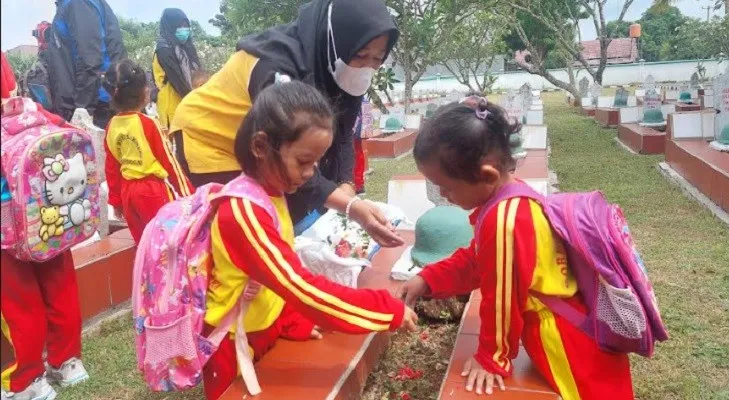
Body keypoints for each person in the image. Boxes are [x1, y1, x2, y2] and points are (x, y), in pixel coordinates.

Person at [397, 97, 634, 400]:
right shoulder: (511, 198)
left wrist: (492, 358)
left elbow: (503, 299)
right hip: (575, 323)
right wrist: (429, 278)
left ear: (487, 175)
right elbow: (476, 261)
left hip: (565, 337)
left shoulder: (504, 221)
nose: (443, 194)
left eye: (447, 186)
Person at [202, 81, 417, 400]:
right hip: (232, 344)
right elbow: (299, 286)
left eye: (316, 162)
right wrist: (384, 309)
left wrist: (290, 321)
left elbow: (275, 276)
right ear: (261, 146)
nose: (309, 173)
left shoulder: (269, 194)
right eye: (303, 161)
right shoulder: (243, 213)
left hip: (262, 324)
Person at [170, 0, 403, 245]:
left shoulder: (336, 62)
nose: (367, 66)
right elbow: (285, 151)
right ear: (335, 40)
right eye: (360, 55)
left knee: (286, 211)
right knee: (245, 227)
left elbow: (343, 132)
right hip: (210, 137)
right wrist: (350, 206)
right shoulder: (276, 67)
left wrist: (346, 185)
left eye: (378, 59)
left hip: (266, 141)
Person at [1, 51, 89, 400]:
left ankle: (29, 382)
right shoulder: (31, 111)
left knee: (19, 303)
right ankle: (68, 364)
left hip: (6, 235)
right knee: (61, 288)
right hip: (50, 225)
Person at [102, 60, 193, 243]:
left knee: (143, 243)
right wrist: (190, 197)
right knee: (166, 242)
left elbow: (111, 167)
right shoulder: (149, 124)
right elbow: (170, 162)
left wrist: (116, 201)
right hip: (152, 191)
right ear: (145, 92)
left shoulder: (111, 126)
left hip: (128, 193)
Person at [52, 0, 127, 127]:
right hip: (97, 100)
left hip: (96, 104)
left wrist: (83, 110)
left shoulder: (77, 3)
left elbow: (90, 60)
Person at [152, 8, 201, 129]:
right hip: (172, 104)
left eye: (186, 26)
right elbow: (178, 80)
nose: (184, 30)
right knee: (179, 144)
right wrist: (197, 101)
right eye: (180, 26)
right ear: (171, 26)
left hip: (187, 101)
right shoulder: (164, 49)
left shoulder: (186, 46)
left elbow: (199, 71)